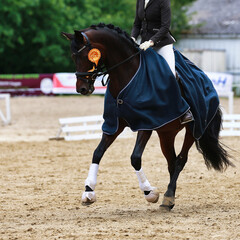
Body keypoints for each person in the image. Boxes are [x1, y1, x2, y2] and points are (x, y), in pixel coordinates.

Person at [131, 0, 193, 124]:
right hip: (144, 44)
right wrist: (132, 38)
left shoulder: (163, 1)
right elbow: (137, 24)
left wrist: (151, 42)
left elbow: (165, 27)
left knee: (170, 74)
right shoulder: (140, 0)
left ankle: (184, 109)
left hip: (162, 44)